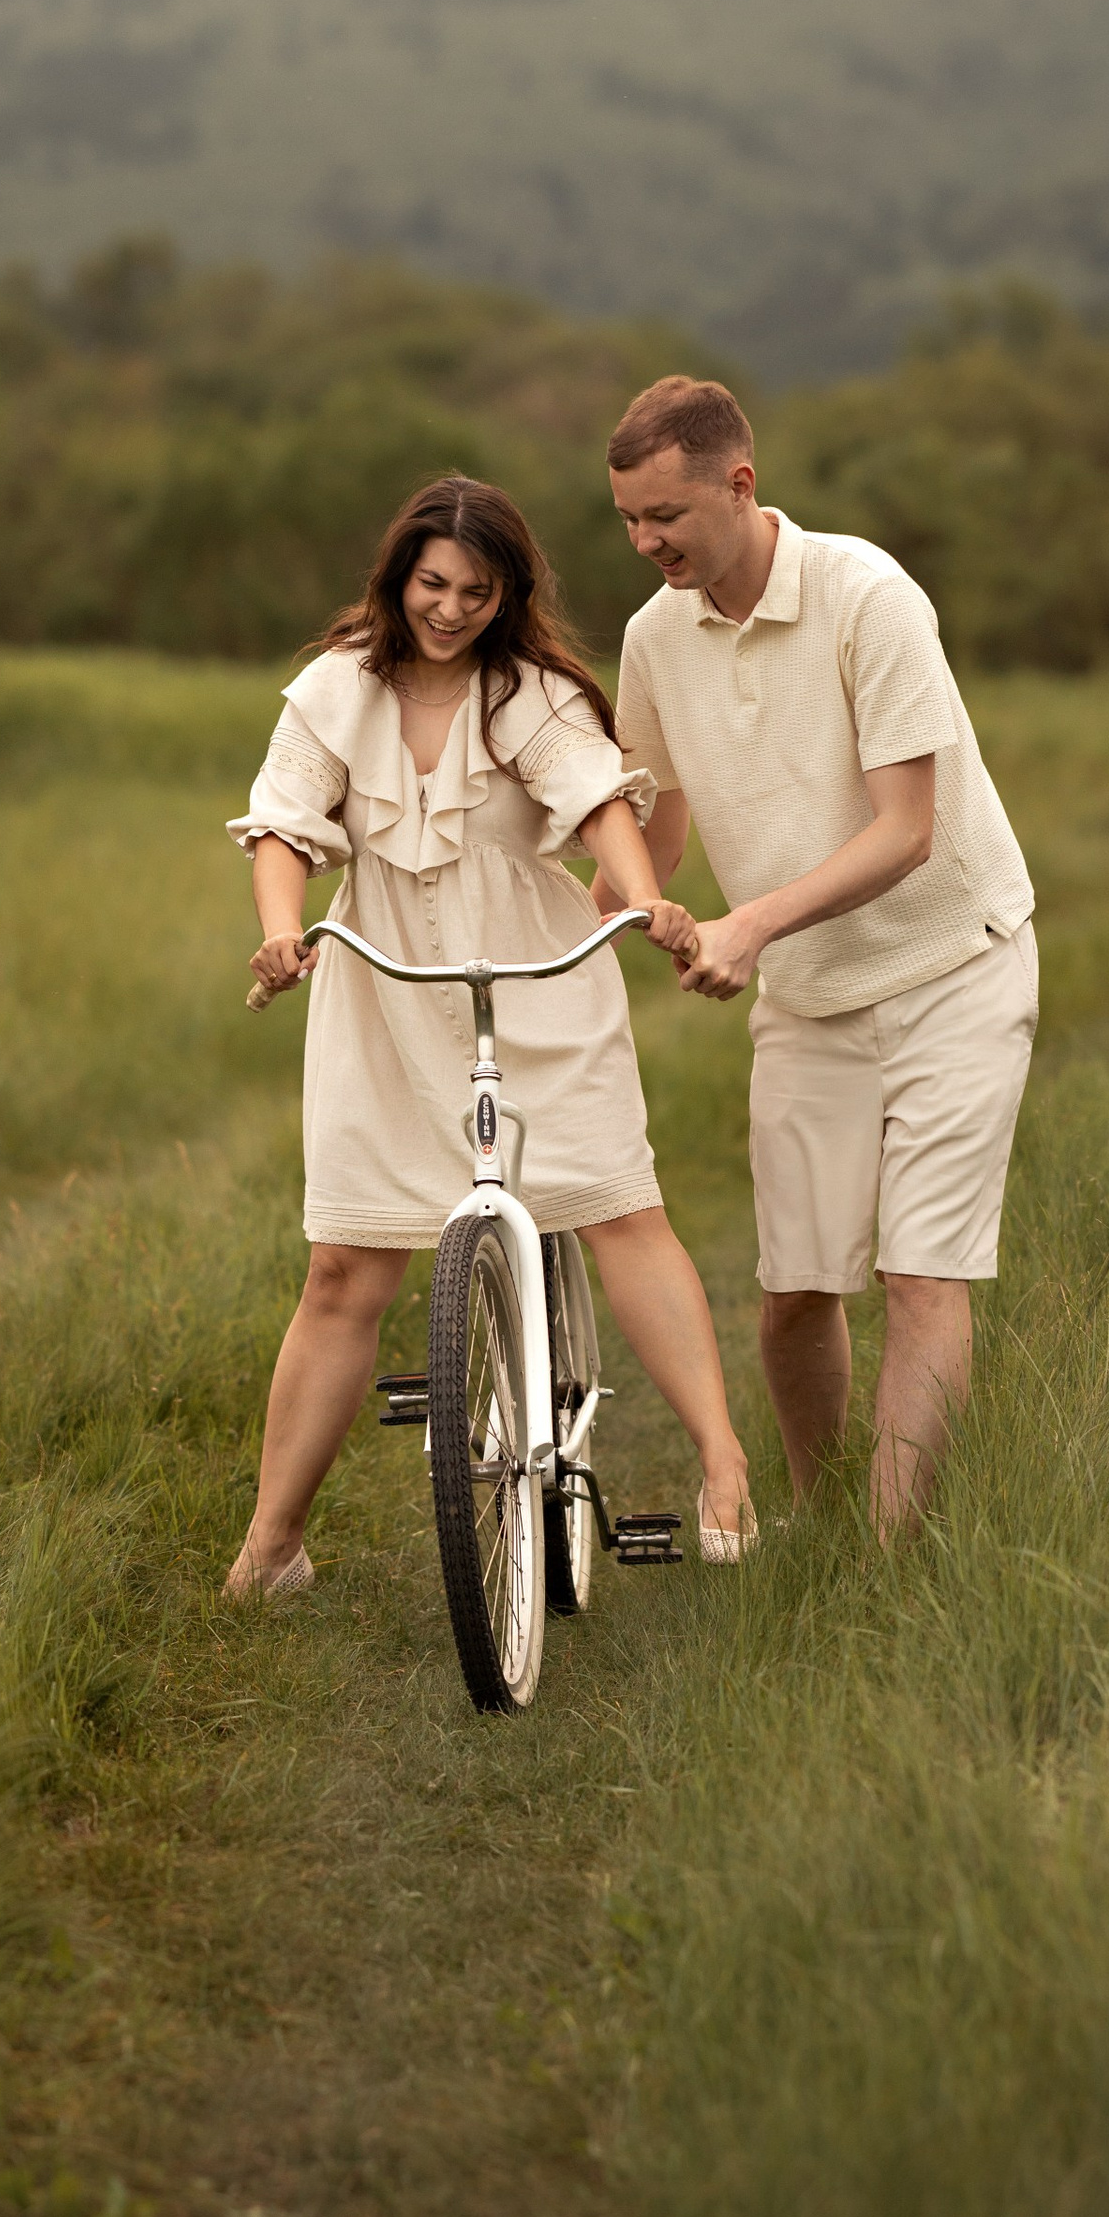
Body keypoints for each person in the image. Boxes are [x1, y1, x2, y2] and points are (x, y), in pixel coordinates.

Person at [226, 473, 756, 1600]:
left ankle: (722, 1465)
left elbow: (599, 799)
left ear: (507, 592)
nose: (450, 608)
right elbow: (282, 823)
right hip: (384, 993)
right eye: (432, 583)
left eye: (476, 589)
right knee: (341, 1268)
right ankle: (272, 1544)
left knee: (617, 1207)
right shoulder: (335, 690)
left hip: (536, 977)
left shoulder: (534, 694)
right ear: (398, 575)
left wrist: (637, 895)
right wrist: (281, 936)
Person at [603, 376, 1037, 1540]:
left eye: (667, 517)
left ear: (739, 484)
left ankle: (886, 1567)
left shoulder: (867, 596)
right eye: (629, 522)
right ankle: (818, 1525)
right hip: (808, 1000)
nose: (646, 543)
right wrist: (582, 918)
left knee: (920, 1275)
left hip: (955, 967)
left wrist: (746, 926)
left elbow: (907, 829)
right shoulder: (653, 639)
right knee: (794, 1293)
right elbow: (655, 829)